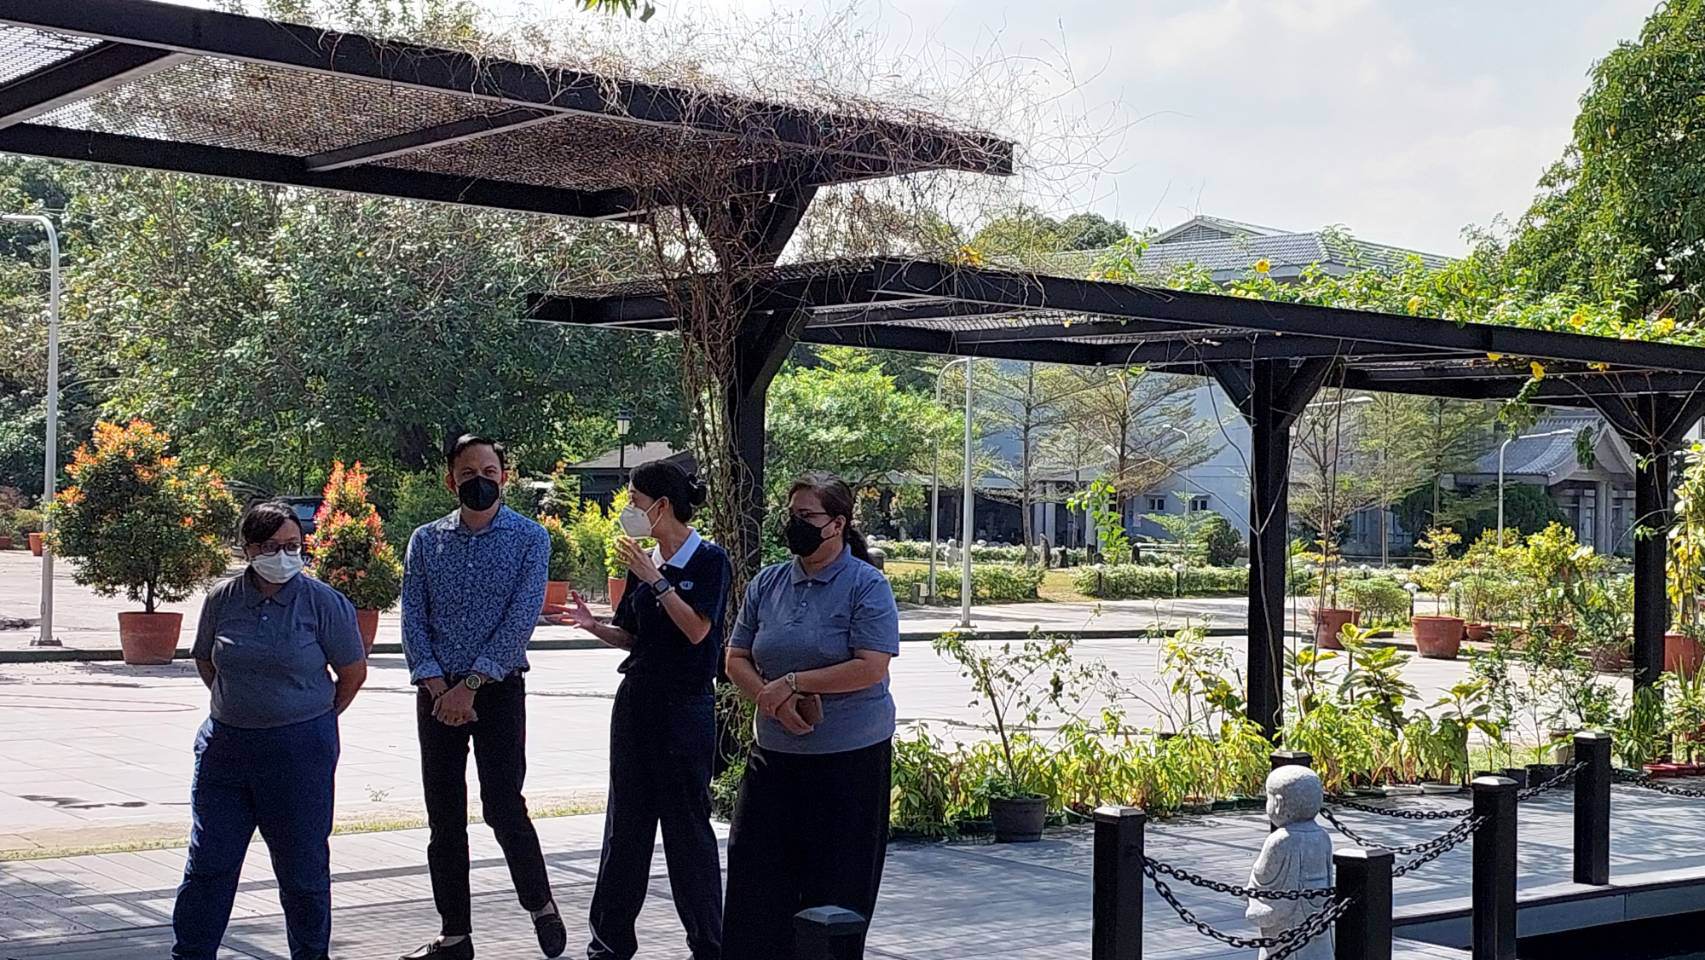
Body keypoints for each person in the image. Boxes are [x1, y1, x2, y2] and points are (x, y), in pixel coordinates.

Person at [547, 460, 730, 960]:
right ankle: (608, 941)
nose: (629, 511)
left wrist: (657, 579)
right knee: (625, 825)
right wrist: (592, 625)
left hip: (685, 706)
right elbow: (632, 634)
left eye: (634, 501)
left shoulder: (709, 560)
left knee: (686, 827)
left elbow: (698, 632)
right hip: (638, 703)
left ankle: (709, 944)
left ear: (661, 505)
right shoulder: (643, 561)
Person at [172, 500, 367, 960]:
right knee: (209, 865)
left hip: (299, 753)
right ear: (248, 549)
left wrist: (313, 714)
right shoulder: (222, 598)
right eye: (271, 546)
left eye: (293, 546)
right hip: (226, 749)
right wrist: (241, 702)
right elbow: (206, 660)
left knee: (302, 872)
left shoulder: (323, 602)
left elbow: (352, 673)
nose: (283, 556)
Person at [720, 472, 901, 958]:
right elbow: (735, 656)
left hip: (847, 763)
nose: (794, 525)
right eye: (791, 514)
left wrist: (797, 682)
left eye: (807, 516)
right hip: (773, 759)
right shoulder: (769, 582)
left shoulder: (867, 585)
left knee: (835, 893)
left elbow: (871, 665)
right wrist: (769, 696)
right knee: (755, 890)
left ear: (837, 524)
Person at [400, 435, 565, 960]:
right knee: (443, 816)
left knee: (502, 805)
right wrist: (436, 686)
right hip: (435, 693)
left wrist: (470, 685)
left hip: (495, 691)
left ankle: (539, 902)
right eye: (468, 472)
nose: (479, 480)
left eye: (489, 470)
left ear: (504, 475)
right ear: (451, 480)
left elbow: (520, 621)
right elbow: (412, 618)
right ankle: (455, 935)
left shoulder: (530, 538)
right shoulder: (426, 540)